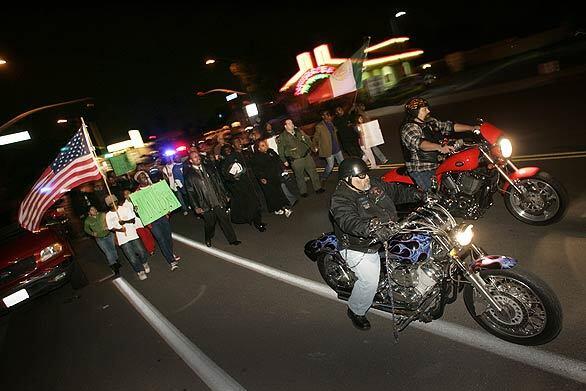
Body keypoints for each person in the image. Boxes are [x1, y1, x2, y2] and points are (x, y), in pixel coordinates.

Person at [330, 158, 421, 330]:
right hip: (360, 244)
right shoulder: (341, 198)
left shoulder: (372, 185)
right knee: (369, 281)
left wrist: (418, 194)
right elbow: (348, 220)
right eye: (361, 177)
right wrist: (370, 228)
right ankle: (356, 310)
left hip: (388, 231)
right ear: (347, 179)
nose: (366, 180)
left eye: (366, 175)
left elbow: (395, 191)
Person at [400, 97, 479, 190]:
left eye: (427, 108)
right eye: (424, 109)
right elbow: (420, 144)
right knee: (435, 197)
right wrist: (439, 147)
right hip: (423, 169)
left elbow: (449, 126)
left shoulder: (430, 122)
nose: (428, 111)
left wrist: (472, 128)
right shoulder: (409, 128)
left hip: (440, 164)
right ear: (415, 112)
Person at [183, 151, 241, 247]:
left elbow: (219, 182)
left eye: (198, 156)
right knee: (210, 224)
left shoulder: (208, 168)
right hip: (205, 203)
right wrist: (196, 206)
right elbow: (190, 193)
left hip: (217, 199)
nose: (198, 158)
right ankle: (208, 237)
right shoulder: (189, 175)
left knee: (225, 220)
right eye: (195, 157)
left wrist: (225, 194)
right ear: (190, 160)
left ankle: (232, 239)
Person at [133, 172, 181, 271]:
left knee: (168, 237)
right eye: (142, 177)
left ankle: (170, 253)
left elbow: (164, 199)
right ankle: (171, 261)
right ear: (138, 180)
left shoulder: (155, 187)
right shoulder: (136, 194)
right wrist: (136, 210)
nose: (145, 178)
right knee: (161, 240)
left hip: (163, 216)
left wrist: (168, 210)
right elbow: (139, 211)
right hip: (152, 221)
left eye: (145, 176)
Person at [219, 144, 267, 231]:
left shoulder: (238, 156)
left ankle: (258, 221)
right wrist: (235, 176)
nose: (228, 151)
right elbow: (226, 177)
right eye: (226, 150)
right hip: (239, 188)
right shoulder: (224, 163)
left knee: (255, 203)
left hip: (248, 184)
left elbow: (247, 165)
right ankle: (257, 223)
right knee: (251, 205)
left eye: (229, 149)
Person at [104, 194, 149, 280]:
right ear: (108, 205)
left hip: (132, 234)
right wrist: (120, 229)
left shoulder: (125, 209)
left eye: (114, 201)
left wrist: (124, 221)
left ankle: (144, 262)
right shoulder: (108, 215)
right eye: (110, 203)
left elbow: (133, 220)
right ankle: (140, 271)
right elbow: (111, 227)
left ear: (116, 201)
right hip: (122, 239)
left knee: (142, 251)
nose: (113, 204)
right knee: (131, 257)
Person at [277, 119, 324, 197]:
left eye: (292, 122)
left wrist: (313, 148)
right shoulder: (282, 137)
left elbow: (307, 139)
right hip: (296, 160)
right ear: (285, 126)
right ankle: (303, 192)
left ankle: (318, 188)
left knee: (313, 172)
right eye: (289, 123)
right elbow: (280, 150)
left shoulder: (299, 131)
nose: (291, 124)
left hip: (306, 156)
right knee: (299, 176)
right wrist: (284, 160)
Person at [250, 139, 293, 217]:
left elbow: (277, 160)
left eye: (265, 144)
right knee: (273, 195)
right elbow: (256, 170)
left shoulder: (270, 151)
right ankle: (284, 209)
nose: (265, 146)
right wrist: (261, 177)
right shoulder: (256, 158)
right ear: (258, 148)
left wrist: (282, 169)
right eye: (262, 145)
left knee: (279, 192)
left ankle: (278, 208)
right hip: (266, 179)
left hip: (275, 176)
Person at [84, 206, 121, 275]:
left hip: (109, 235)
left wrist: (108, 226)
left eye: (94, 208)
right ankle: (114, 266)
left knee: (112, 249)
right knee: (107, 252)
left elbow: (110, 221)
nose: (94, 210)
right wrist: (92, 233)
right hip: (100, 238)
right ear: (89, 212)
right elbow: (86, 229)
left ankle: (116, 260)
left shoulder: (102, 214)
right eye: (92, 210)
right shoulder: (88, 220)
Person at [313, 110, 345, 181]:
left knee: (342, 163)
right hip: (328, 149)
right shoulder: (319, 126)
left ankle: (344, 175)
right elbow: (316, 137)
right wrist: (315, 146)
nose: (328, 117)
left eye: (329, 115)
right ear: (323, 117)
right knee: (330, 165)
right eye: (326, 115)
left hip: (336, 147)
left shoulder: (331, 123)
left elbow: (333, 132)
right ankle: (324, 176)